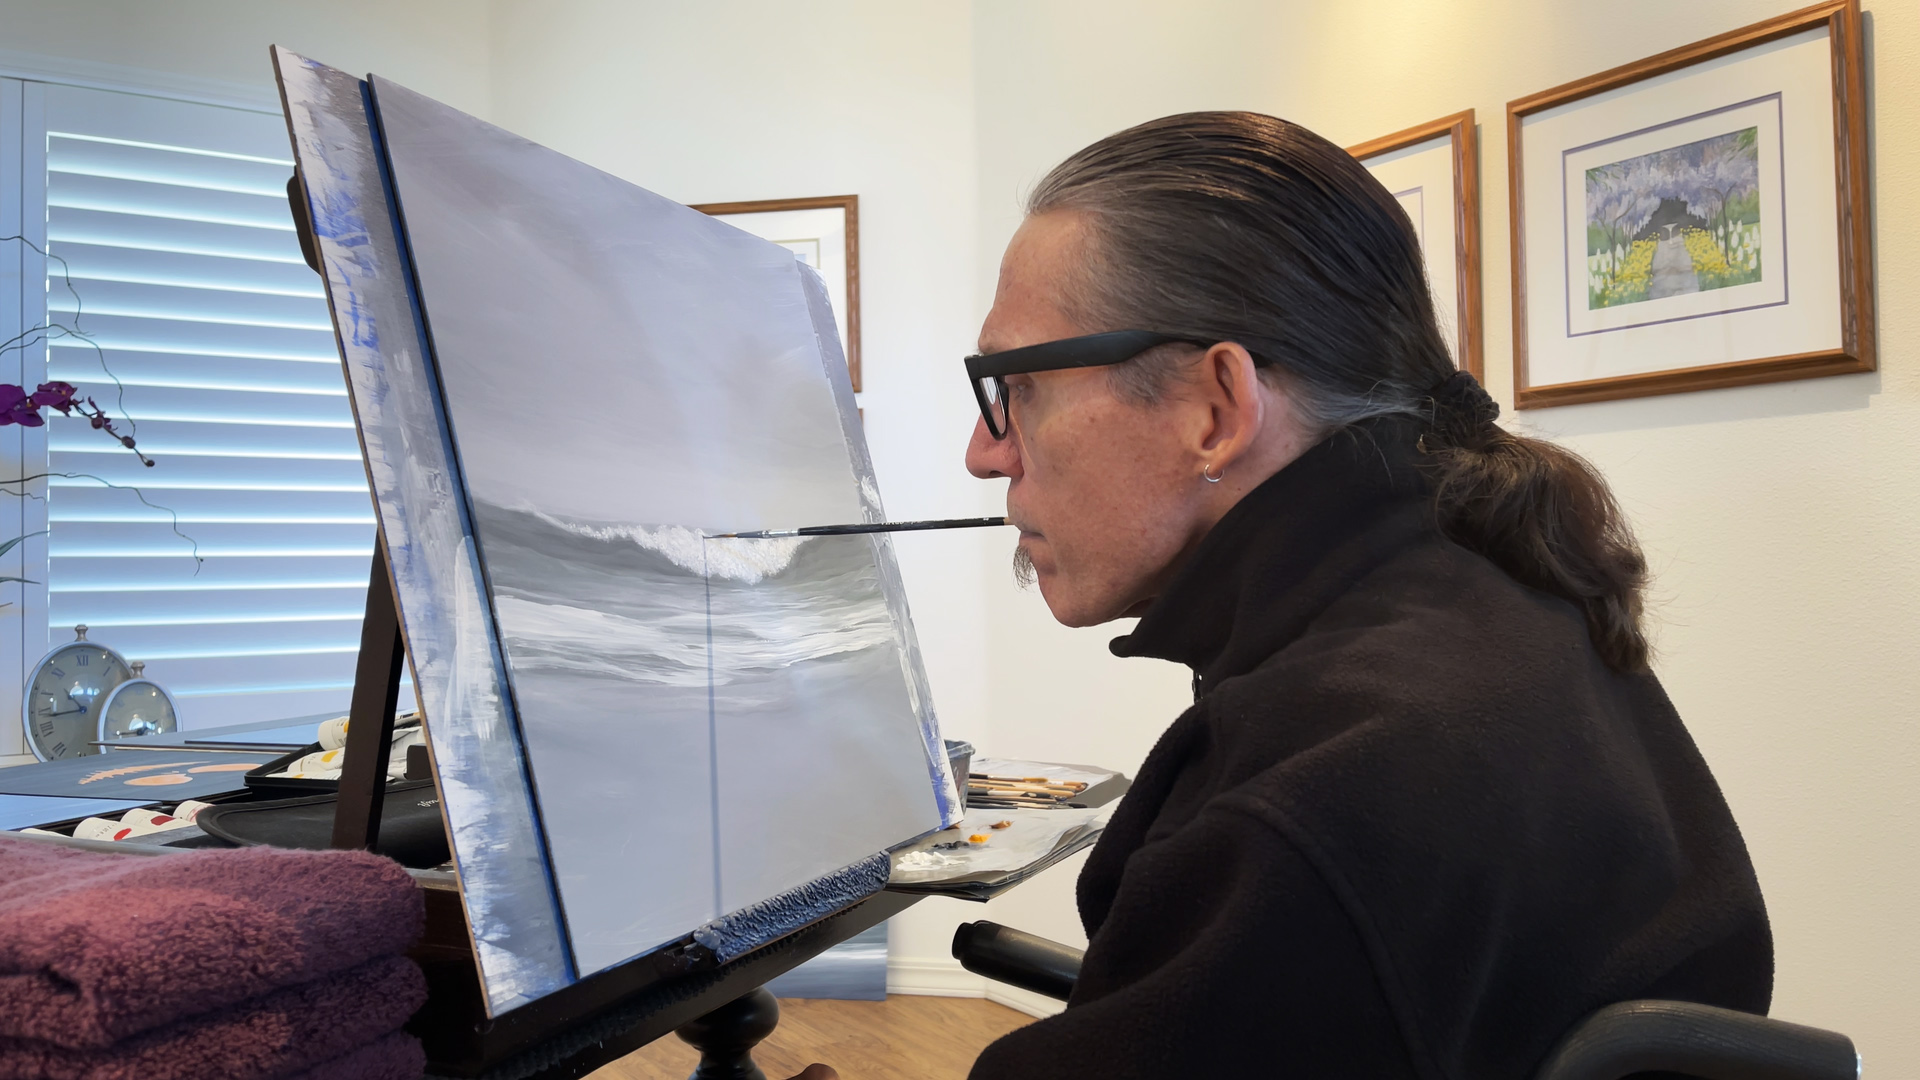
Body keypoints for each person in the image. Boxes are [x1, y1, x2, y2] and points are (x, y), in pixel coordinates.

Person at [787, 110, 1770, 1080]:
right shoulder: (1499, 591)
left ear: (1215, 408)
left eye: (1018, 387)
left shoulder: (1328, 788)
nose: (983, 452)